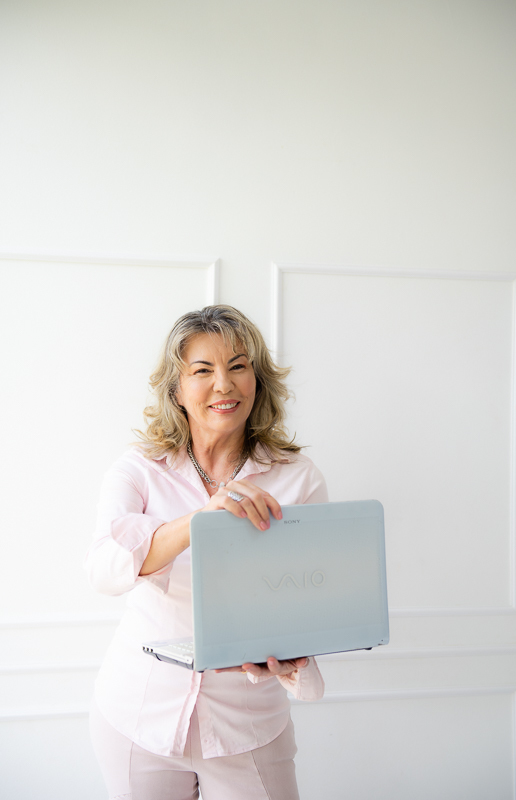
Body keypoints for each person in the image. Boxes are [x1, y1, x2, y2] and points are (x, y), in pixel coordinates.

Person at [85, 304, 328, 800]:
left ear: (257, 381)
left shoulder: (298, 478)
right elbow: (105, 571)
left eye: (239, 366)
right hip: (138, 717)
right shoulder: (138, 471)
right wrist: (199, 522)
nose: (224, 384)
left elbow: (311, 602)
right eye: (203, 370)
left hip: (249, 727)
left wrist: (292, 657)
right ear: (175, 388)